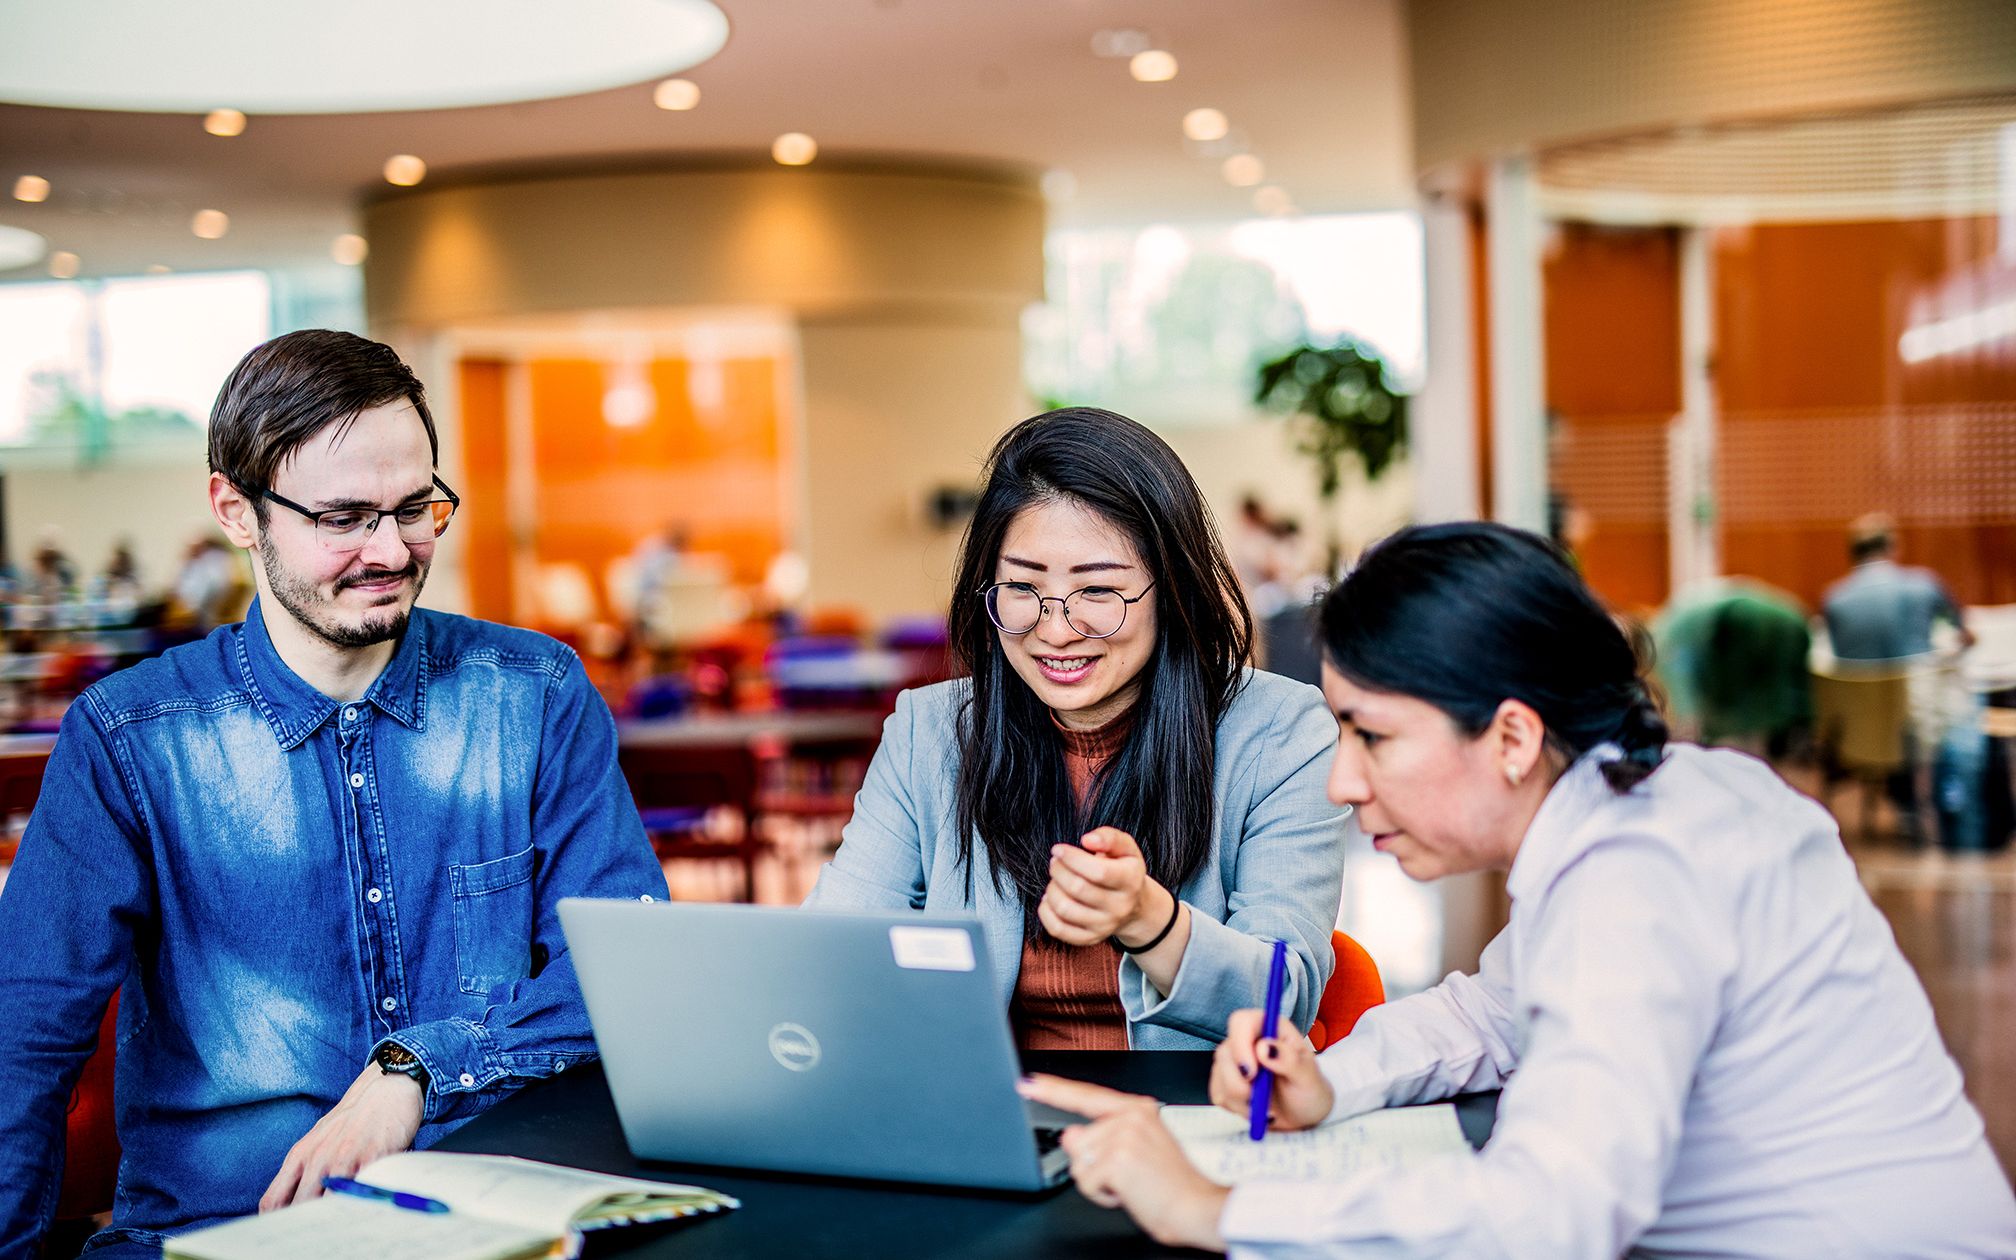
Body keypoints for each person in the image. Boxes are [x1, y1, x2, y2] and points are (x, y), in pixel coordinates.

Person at [1022, 522, 2016, 1256]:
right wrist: (1330, 1080)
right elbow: (1492, 1015)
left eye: (1372, 734)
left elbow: (1553, 1213)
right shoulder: (1651, 805)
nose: (1342, 780)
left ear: (1511, 736)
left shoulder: (1640, 879)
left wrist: (1215, 1208)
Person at [0, 330, 669, 1258]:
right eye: (345, 517)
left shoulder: (536, 694)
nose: (390, 549)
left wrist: (416, 1070)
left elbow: (630, 967)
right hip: (223, 1233)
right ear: (237, 512)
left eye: (416, 508)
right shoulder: (130, 739)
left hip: (501, 1223)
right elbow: (22, 1043)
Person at [804, 407, 1347, 1050]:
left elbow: (1283, 997)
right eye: (1022, 587)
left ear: (1171, 590)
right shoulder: (931, 735)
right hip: (994, 1123)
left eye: (1098, 592)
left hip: (1192, 1118)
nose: (1055, 630)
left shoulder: (1280, 734)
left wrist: (1151, 922)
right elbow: (831, 956)